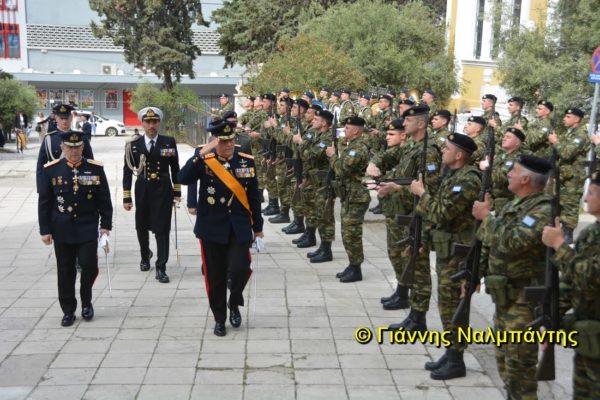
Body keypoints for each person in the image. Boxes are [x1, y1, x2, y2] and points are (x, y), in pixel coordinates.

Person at [473, 154, 552, 400]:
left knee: (520, 371)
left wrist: (487, 217)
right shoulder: (514, 204)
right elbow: (488, 241)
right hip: (504, 297)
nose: (508, 174)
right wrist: (475, 274)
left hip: (524, 302)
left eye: (513, 171)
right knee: (506, 366)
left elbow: (513, 242)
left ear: (526, 179)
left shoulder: (542, 210)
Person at [178, 121, 264, 337]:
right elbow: (182, 178)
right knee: (215, 277)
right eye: (224, 142)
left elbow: (254, 196)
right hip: (211, 226)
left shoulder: (245, 161)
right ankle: (219, 318)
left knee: (240, 268)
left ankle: (234, 302)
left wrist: (258, 228)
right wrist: (200, 153)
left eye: (231, 140)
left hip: (238, 226)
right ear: (215, 142)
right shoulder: (204, 160)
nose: (229, 145)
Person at [410, 133, 481, 380]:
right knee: (446, 306)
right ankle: (451, 353)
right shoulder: (452, 175)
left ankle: (456, 359)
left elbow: (441, 213)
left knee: (455, 308)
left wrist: (422, 193)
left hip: (459, 254)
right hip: (446, 250)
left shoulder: (468, 180)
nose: (442, 151)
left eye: (447, 148)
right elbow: (437, 217)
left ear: (459, 155)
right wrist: (425, 239)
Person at [38, 131, 113, 327]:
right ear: (62, 147)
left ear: (83, 147)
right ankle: (68, 310)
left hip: (87, 226)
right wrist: (45, 230)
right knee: (65, 271)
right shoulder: (51, 170)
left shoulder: (95, 168)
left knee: (89, 266)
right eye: (69, 147)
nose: (74, 151)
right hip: (62, 228)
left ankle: (86, 302)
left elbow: (104, 199)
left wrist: (105, 225)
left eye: (77, 147)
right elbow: (44, 202)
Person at [379, 105, 441, 332]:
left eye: (408, 120)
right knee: (406, 262)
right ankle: (410, 308)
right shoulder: (412, 147)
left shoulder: (429, 151)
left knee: (419, 268)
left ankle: (418, 318)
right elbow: (404, 176)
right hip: (404, 212)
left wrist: (397, 188)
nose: (403, 124)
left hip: (418, 217)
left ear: (421, 123)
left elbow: (429, 190)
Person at [542, 172, 600, 400]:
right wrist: (552, 319)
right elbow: (570, 281)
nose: (585, 198)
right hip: (587, 337)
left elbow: (591, 277)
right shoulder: (590, 233)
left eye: (591, 193)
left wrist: (559, 244)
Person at [122, 107, 181, 283]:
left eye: (154, 122)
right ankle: (144, 255)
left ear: (159, 123)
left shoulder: (168, 141)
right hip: (142, 189)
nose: (151, 125)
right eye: (148, 122)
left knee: (162, 229)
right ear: (142, 123)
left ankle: (161, 267)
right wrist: (126, 197)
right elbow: (127, 171)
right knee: (141, 226)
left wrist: (177, 191)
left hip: (163, 190)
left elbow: (175, 168)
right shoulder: (133, 145)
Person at [366, 118, 410, 308]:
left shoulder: (416, 150)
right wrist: (373, 164)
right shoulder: (400, 150)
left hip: (407, 211)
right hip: (395, 208)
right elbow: (383, 156)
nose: (387, 137)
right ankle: (401, 291)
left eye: (392, 134)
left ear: (403, 135)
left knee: (405, 255)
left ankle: (406, 297)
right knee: (395, 253)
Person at [325, 116, 371, 282]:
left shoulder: (358, 148)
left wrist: (332, 156)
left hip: (356, 196)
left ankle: (356, 268)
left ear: (357, 131)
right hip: (349, 195)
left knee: (352, 234)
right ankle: (352, 265)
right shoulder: (351, 145)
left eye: (347, 128)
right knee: (347, 233)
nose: (344, 130)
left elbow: (342, 169)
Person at [549, 107, 590, 243]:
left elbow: (567, 153)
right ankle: (559, 231)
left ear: (577, 119)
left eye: (568, 117)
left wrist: (556, 142)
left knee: (570, 205)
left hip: (573, 178)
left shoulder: (580, 135)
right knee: (559, 204)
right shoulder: (568, 134)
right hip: (562, 176)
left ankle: (568, 233)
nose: (564, 119)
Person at [36, 104, 94, 193]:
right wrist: (41, 189)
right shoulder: (49, 138)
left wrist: (90, 188)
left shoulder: (81, 137)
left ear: (71, 118)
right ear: (56, 118)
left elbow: (90, 162)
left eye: (66, 118)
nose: (64, 121)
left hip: (76, 183)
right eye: (61, 118)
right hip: (55, 183)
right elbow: (41, 165)